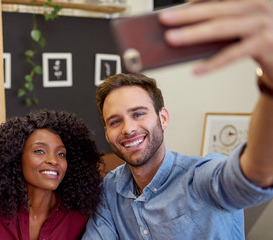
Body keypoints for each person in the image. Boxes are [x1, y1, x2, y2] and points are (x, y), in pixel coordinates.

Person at [83, 0, 273, 239]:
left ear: (163, 118)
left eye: (138, 114)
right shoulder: (110, 189)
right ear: (107, 131)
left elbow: (253, 178)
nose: (128, 129)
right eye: (115, 121)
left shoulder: (199, 177)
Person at [0, 110, 103, 240]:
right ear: (15, 157)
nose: (53, 160)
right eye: (39, 151)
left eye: (61, 154)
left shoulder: (79, 216)